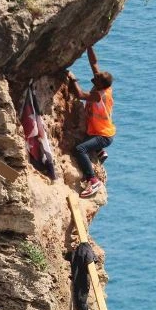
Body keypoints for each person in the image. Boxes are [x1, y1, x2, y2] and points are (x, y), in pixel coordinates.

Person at [66, 47, 115, 198]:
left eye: (97, 79)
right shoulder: (103, 85)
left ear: (100, 85)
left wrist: (72, 79)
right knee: (80, 133)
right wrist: (89, 45)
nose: (94, 77)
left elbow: (80, 94)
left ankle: (92, 180)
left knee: (80, 149)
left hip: (103, 136)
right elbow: (94, 63)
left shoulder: (98, 96)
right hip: (99, 130)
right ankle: (98, 150)